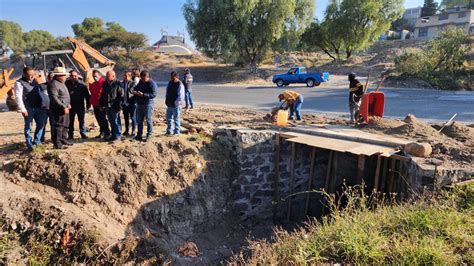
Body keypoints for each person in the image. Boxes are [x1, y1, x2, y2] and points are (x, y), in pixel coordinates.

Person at [14, 67, 47, 151]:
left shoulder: (36, 81)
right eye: (29, 75)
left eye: (33, 74)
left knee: (41, 125)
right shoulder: (19, 83)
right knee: (28, 126)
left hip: (40, 107)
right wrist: (22, 109)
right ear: (25, 74)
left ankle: (37, 142)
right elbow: (18, 97)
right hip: (28, 108)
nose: (32, 76)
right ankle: (29, 143)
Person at [48, 67, 72, 149]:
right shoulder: (53, 84)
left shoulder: (61, 82)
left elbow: (64, 95)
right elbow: (54, 98)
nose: (65, 77)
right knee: (59, 126)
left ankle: (63, 140)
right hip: (59, 109)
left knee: (65, 125)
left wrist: (68, 104)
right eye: (64, 75)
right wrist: (63, 107)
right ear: (59, 75)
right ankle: (57, 144)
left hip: (65, 107)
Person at [66, 70, 90, 139]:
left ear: (77, 76)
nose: (74, 77)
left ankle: (83, 133)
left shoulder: (82, 84)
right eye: (72, 76)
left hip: (80, 105)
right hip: (70, 106)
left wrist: (88, 105)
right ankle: (70, 134)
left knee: (81, 120)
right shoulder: (66, 84)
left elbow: (87, 96)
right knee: (70, 121)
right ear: (70, 76)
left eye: (75, 75)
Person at [100, 70, 124, 142]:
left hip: (115, 106)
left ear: (113, 76)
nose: (106, 77)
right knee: (111, 121)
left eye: (108, 76)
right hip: (107, 105)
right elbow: (103, 95)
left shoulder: (118, 84)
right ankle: (113, 135)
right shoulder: (105, 84)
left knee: (116, 121)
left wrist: (119, 107)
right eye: (106, 76)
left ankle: (118, 135)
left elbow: (121, 96)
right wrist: (101, 104)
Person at [133, 70, 157, 141]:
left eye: (144, 79)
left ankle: (149, 134)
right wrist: (135, 92)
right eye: (141, 78)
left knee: (148, 119)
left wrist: (143, 94)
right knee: (139, 120)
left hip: (148, 104)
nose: (142, 80)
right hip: (140, 104)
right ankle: (139, 135)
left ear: (147, 77)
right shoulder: (140, 81)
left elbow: (153, 94)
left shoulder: (152, 84)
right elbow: (136, 88)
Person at [89, 70, 110, 139]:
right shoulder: (94, 84)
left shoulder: (103, 83)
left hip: (101, 104)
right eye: (93, 76)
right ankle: (102, 132)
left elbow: (105, 95)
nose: (94, 77)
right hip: (95, 104)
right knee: (98, 119)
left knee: (103, 119)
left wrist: (103, 105)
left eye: (96, 76)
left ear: (100, 75)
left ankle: (106, 132)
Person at [165, 71, 184, 136]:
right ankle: (169, 131)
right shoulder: (170, 83)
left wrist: (176, 103)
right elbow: (167, 91)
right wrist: (166, 100)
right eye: (171, 77)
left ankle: (177, 132)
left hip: (176, 105)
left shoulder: (180, 84)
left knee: (176, 119)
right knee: (168, 118)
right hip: (169, 104)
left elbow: (181, 96)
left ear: (177, 77)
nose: (172, 79)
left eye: (173, 78)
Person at [40, 72, 54, 143]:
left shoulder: (56, 86)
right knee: (42, 124)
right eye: (50, 78)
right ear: (48, 78)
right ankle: (41, 138)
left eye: (52, 77)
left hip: (53, 109)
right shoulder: (42, 86)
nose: (51, 79)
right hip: (44, 109)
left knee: (53, 124)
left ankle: (53, 138)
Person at [122, 70, 137, 136]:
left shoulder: (133, 83)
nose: (124, 77)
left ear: (129, 76)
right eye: (124, 75)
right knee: (126, 118)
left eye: (126, 75)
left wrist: (131, 90)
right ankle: (126, 130)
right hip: (124, 103)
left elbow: (132, 91)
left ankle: (133, 131)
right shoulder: (122, 83)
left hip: (131, 103)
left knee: (133, 117)